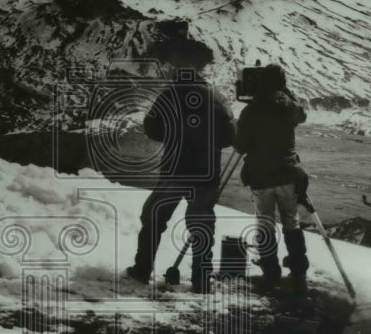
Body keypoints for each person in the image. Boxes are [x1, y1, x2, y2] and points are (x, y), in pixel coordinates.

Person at [126, 52, 236, 292]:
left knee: (153, 217)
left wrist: (174, 136)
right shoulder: (217, 97)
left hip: (175, 171)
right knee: (201, 225)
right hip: (206, 174)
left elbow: (152, 128)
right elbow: (230, 137)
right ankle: (200, 281)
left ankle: (142, 270)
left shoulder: (170, 95)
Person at [233, 64, 310, 290]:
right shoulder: (289, 107)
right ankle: (298, 273)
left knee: (265, 224)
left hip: (261, 176)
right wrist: (286, 93)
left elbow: (240, 146)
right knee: (291, 223)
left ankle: (270, 273)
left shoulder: (250, 111)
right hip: (288, 174)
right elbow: (302, 114)